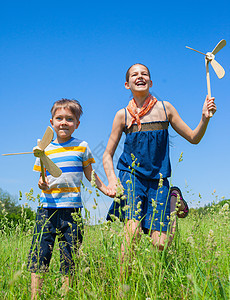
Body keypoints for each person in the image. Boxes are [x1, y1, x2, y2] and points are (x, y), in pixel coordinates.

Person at [103, 63, 216, 271]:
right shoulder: (122, 115)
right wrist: (112, 180)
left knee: (160, 243)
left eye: (144, 74)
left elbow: (193, 138)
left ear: (150, 82)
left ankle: (173, 199)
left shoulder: (165, 109)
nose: (140, 76)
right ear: (127, 85)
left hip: (159, 179)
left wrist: (204, 118)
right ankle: (122, 290)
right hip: (131, 175)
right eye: (134, 74)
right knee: (133, 232)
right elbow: (107, 154)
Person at [28, 98, 108, 299]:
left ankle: (66, 295)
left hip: (72, 211)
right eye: (59, 118)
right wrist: (42, 184)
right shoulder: (44, 149)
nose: (64, 122)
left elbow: (90, 173)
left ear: (77, 123)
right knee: (40, 254)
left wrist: (105, 188)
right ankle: (35, 296)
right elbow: (41, 178)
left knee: (69, 256)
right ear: (52, 121)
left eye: (69, 119)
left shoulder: (82, 146)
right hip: (47, 208)